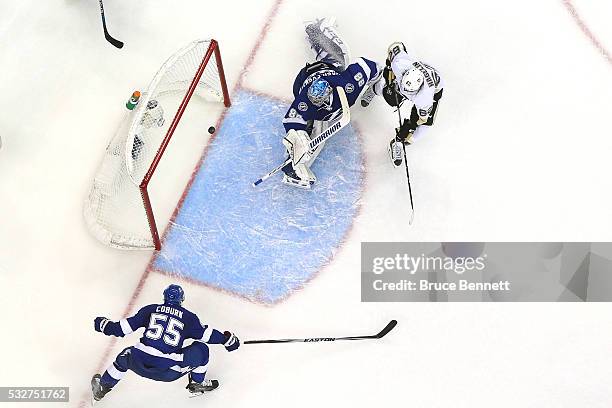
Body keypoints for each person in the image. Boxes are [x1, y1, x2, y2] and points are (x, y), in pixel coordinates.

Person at [90, 284, 240, 401]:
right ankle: (197, 383)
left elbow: (121, 329)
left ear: (164, 297)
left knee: (125, 355)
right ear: (182, 300)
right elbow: (206, 335)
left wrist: (104, 324)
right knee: (202, 349)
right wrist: (227, 340)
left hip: (137, 362)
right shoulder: (188, 317)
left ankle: (101, 388)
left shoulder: (149, 310)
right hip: (167, 372)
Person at [280, 17, 382, 188]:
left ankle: (317, 28)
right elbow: (291, 119)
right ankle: (293, 164)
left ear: (328, 95)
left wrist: (380, 80)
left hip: (329, 69)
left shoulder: (348, 85)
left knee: (341, 57)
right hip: (303, 80)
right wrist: (297, 135)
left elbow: (367, 66)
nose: (315, 103)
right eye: (314, 101)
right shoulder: (305, 100)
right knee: (312, 133)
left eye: (319, 101)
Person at [361, 42, 444, 166]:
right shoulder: (401, 65)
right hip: (417, 71)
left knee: (425, 124)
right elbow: (396, 46)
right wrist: (389, 65)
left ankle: (400, 141)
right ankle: (375, 88)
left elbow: (421, 119)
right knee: (391, 97)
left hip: (435, 88)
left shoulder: (424, 99)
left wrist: (407, 131)